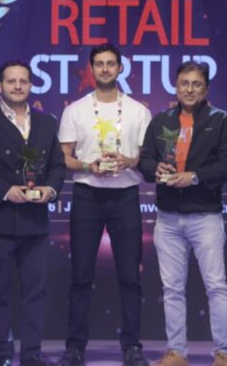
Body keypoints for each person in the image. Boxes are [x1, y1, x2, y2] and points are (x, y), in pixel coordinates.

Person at [0, 60, 65, 366]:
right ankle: (3, 356)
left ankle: (31, 356)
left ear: (30, 85)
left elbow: (57, 165)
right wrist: (6, 190)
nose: (17, 86)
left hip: (35, 222)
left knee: (35, 292)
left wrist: (50, 189)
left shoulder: (47, 123)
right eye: (11, 81)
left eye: (23, 81)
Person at [56, 44, 152, 366]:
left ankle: (132, 347)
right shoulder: (76, 110)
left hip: (126, 195)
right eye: (99, 64)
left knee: (130, 276)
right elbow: (63, 157)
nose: (106, 69)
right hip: (87, 195)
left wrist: (129, 160)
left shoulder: (138, 111)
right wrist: (87, 165)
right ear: (91, 68)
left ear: (121, 68)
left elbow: (148, 159)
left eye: (111, 63)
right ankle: (74, 348)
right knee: (81, 275)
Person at [138, 61, 227, 366]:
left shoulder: (221, 121)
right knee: (172, 289)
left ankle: (223, 352)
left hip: (205, 216)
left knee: (216, 286)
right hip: (167, 217)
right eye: (184, 83)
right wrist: (156, 169)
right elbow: (144, 161)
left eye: (196, 84)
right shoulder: (161, 121)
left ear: (206, 89)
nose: (189, 89)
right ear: (176, 87)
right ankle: (176, 352)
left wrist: (194, 177)